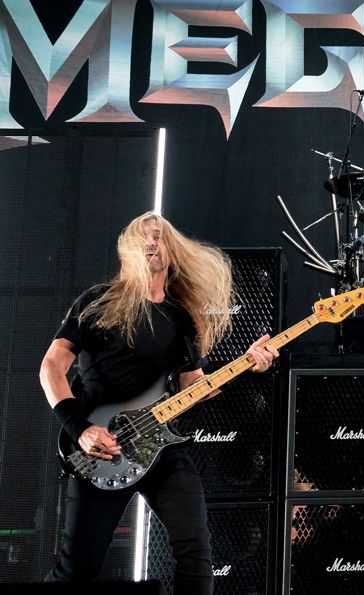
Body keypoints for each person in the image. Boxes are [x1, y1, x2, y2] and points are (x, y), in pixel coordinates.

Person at [39, 212, 278, 593]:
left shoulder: (181, 317)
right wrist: (80, 430)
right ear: (128, 251)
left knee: (196, 554)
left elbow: (192, 388)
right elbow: (51, 366)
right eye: (143, 238)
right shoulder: (96, 303)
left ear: (173, 249)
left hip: (160, 447)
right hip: (102, 445)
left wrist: (246, 365)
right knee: (77, 568)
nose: (151, 243)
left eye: (159, 237)